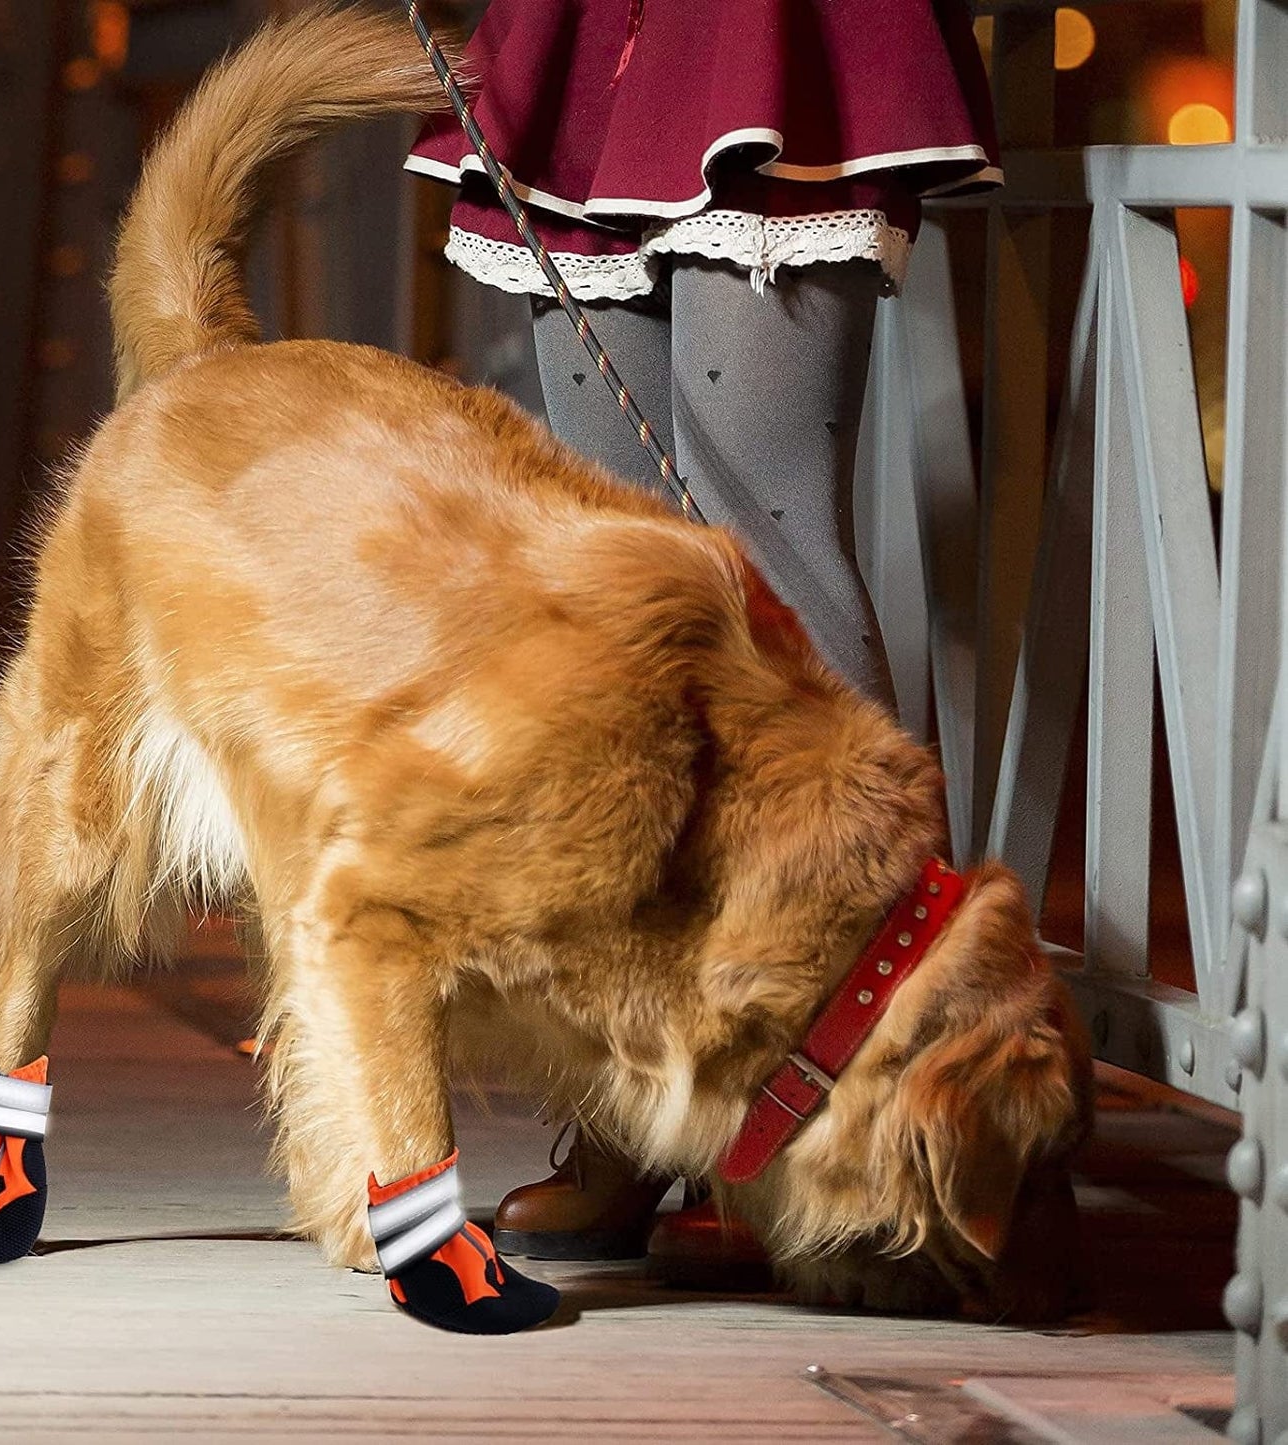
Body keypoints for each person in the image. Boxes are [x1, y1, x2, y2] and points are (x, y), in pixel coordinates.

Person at [405, 0, 1000, 1273]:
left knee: (765, 533)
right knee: (606, 582)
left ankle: (851, 1112)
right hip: (583, 28)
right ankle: (638, 1099)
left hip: (761, 25)